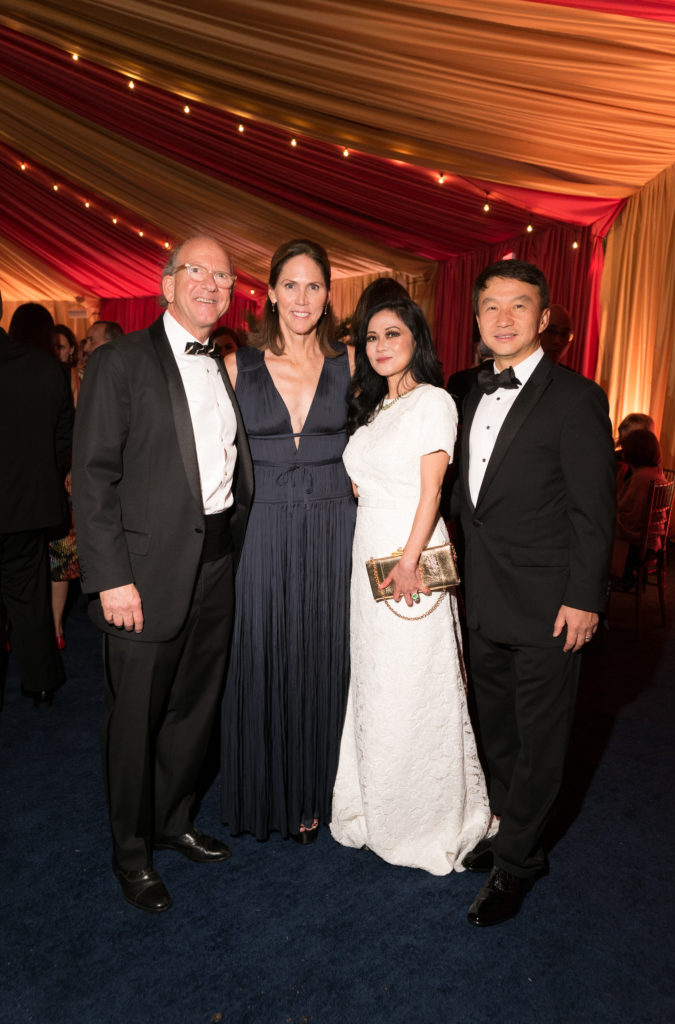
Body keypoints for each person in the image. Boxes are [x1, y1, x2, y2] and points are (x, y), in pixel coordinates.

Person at [72, 236, 253, 914]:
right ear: (166, 282)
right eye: (195, 270)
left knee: (193, 707)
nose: (210, 283)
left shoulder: (223, 365)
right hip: (141, 576)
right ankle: (131, 852)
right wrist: (110, 576)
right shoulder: (120, 362)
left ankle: (172, 819)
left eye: (223, 275)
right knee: (135, 718)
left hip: (215, 561)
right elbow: (93, 479)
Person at [454, 259, 615, 926]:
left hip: (551, 605)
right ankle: (507, 827)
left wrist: (583, 598)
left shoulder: (576, 398)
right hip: (479, 597)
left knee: (540, 737)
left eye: (518, 305)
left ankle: (518, 862)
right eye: (490, 305)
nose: (502, 317)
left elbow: (592, 511)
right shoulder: (461, 388)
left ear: (543, 318)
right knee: (493, 729)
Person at [330, 295, 491, 873]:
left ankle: (426, 817)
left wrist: (408, 559)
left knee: (415, 683)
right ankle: (378, 802)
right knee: (376, 680)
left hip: (408, 559)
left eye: (392, 334)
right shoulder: (374, 407)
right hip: (367, 554)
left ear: (415, 339)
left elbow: (431, 493)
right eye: (371, 338)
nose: (380, 346)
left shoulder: (433, 402)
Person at [220, 238, 356, 843]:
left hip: (336, 530)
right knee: (265, 651)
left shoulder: (352, 363)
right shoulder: (234, 367)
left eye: (315, 286)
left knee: (329, 652)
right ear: (270, 293)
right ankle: (269, 790)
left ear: (328, 296)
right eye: (291, 285)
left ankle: (323, 791)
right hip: (264, 532)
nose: (303, 298)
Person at [1, 299, 73, 707]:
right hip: (28, 506)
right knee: (30, 600)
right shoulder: (47, 368)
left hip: (24, 503)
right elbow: (63, 437)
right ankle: (42, 683)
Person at [51, 324, 81, 649]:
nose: (58, 351)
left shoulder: (76, 378)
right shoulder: (41, 377)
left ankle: (56, 625)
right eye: (53, 346)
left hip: (69, 472)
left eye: (62, 346)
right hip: (46, 473)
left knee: (62, 553)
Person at [611, 428, 666, 586]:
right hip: (651, 542)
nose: (622, 452)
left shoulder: (641, 480)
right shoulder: (655, 472)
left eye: (625, 448)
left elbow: (628, 521)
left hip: (637, 545)